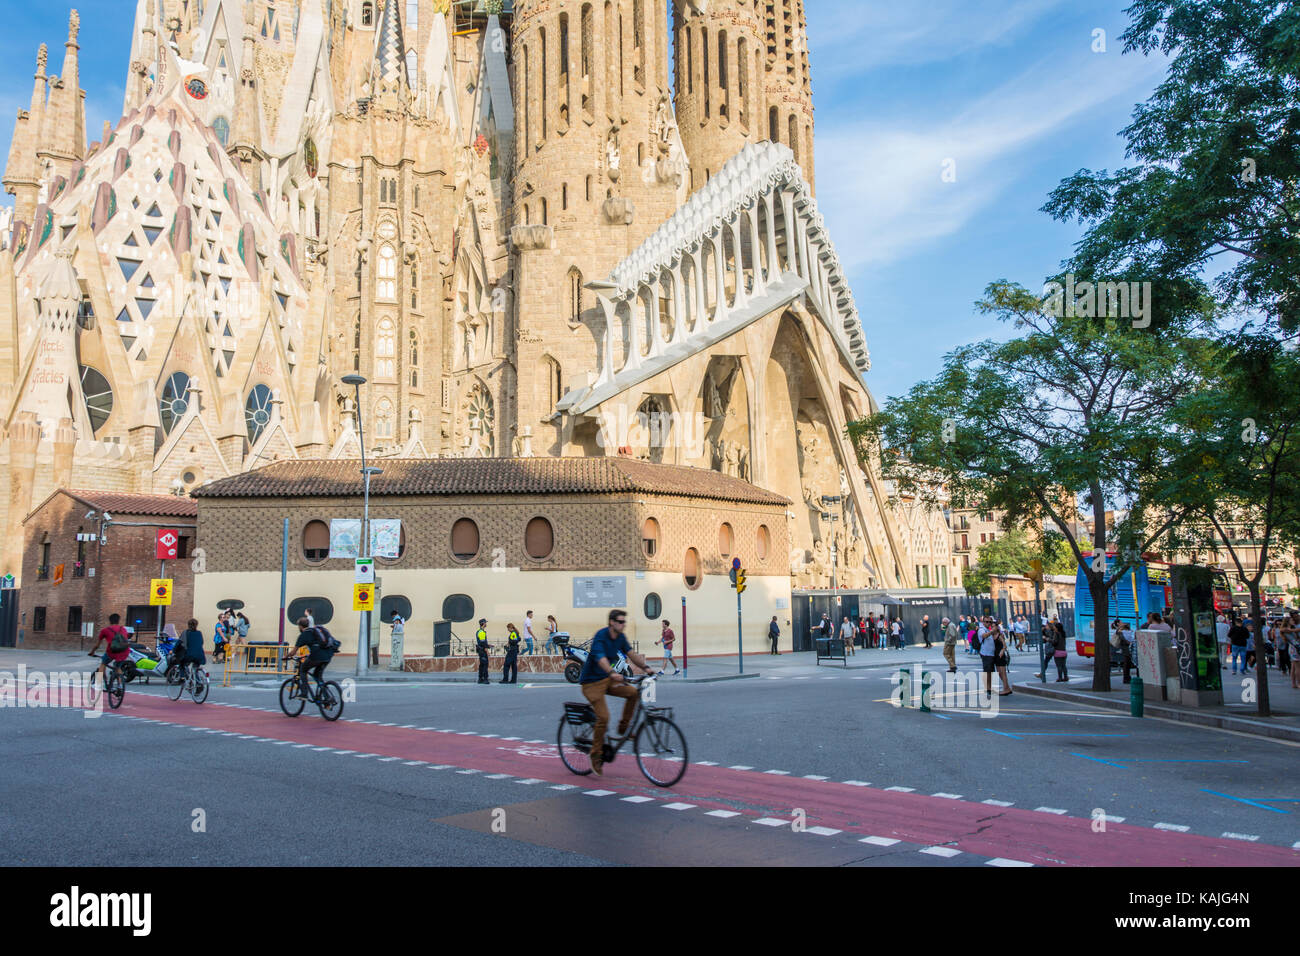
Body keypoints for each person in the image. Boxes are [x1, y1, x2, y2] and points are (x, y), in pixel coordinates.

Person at [579, 610, 655, 776]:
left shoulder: (620, 638)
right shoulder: (601, 636)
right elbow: (600, 658)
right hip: (591, 682)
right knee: (604, 717)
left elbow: (631, 654)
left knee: (633, 693)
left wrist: (646, 667)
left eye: (624, 622)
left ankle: (623, 729)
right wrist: (612, 672)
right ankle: (595, 755)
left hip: (608, 679)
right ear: (612, 622)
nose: (623, 624)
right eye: (620, 622)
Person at [283, 616, 336, 698]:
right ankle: (327, 699)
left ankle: (304, 693)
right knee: (318, 676)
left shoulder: (304, 635)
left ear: (300, 626)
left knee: (302, 670)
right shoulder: (315, 631)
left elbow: (293, 652)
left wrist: (285, 657)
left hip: (317, 656)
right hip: (328, 655)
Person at [88, 613, 131, 683]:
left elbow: (97, 645)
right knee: (118, 667)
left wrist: (92, 652)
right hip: (124, 651)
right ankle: (120, 686)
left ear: (110, 621)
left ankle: (98, 682)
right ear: (118, 621)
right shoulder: (123, 629)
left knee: (103, 663)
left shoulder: (105, 630)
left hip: (112, 652)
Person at [993, 623, 1013, 696]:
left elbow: (1004, 646)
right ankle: (1007, 687)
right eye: (991, 627)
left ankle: (1006, 689)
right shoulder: (992, 635)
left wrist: (1002, 651)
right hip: (995, 655)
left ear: (996, 627)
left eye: (993, 627)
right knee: (999, 672)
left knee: (1003, 672)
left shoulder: (1000, 635)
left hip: (1000, 655)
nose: (992, 628)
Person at [475, 618, 490, 684]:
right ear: (483, 623)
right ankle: (485, 679)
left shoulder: (480, 631)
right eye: (485, 623)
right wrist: (487, 651)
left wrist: (488, 645)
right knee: (485, 665)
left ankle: (480, 679)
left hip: (481, 650)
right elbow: (483, 643)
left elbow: (482, 642)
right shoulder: (481, 632)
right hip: (483, 651)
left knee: (481, 665)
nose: (486, 624)